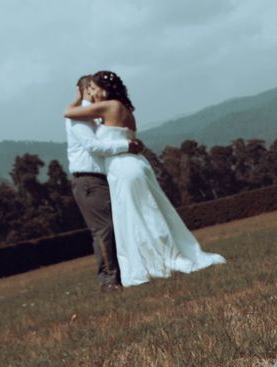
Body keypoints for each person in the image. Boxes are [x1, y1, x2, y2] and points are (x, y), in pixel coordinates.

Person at [64, 71, 225, 287]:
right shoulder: (119, 108)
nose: (93, 92)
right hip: (132, 164)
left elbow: (69, 113)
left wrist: (78, 96)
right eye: (89, 89)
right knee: (146, 212)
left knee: (138, 217)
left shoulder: (107, 107)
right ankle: (157, 258)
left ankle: (155, 261)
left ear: (102, 89)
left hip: (123, 168)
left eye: (94, 88)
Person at [65, 74, 144, 292]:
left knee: (116, 226)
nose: (96, 92)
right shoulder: (79, 118)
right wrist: (126, 146)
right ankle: (109, 280)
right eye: (91, 88)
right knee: (104, 229)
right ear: (86, 91)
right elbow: (93, 147)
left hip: (103, 177)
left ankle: (124, 273)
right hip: (88, 179)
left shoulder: (96, 114)